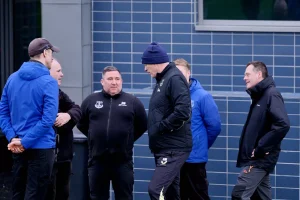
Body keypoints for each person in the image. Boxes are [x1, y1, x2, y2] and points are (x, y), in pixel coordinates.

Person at [0, 38, 60, 200]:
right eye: (51, 53)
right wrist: (24, 142)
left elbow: (3, 113)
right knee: (36, 194)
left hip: (17, 147)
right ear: (45, 53)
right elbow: (48, 119)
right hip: (40, 148)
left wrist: (13, 138)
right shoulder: (49, 82)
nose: (52, 57)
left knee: (18, 193)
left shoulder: (12, 78)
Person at [77, 66, 148, 200]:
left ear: (121, 81)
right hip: (97, 161)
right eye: (110, 79)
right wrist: (95, 136)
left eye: (117, 79)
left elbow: (142, 125)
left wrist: (127, 138)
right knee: (97, 197)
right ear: (102, 81)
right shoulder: (91, 100)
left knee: (124, 197)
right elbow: (81, 123)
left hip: (122, 162)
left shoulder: (132, 102)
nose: (114, 82)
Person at [231, 61, 290, 200]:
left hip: (259, 159)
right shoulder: (260, 96)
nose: (244, 78)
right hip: (258, 159)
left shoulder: (271, 94)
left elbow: (283, 124)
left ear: (259, 74)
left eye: (247, 74)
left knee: (238, 195)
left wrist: (261, 148)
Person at [141, 42, 192, 200]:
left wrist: (161, 127)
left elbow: (183, 111)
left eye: (146, 64)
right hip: (165, 147)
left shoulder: (174, 78)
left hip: (173, 148)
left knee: (156, 190)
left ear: (155, 62)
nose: (145, 69)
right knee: (170, 193)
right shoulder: (163, 79)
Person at [174, 58, 221, 200]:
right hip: (175, 159)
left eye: (182, 73)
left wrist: (201, 144)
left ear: (189, 73)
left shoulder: (202, 96)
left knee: (198, 196)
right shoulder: (171, 96)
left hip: (194, 159)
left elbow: (215, 126)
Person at [46, 59, 82, 200]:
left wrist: (68, 115)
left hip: (63, 160)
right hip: (46, 158)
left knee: (63, 194)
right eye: (58, 71)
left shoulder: (58, 93)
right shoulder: (42, 93)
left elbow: (77, 109)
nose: (62, 74)